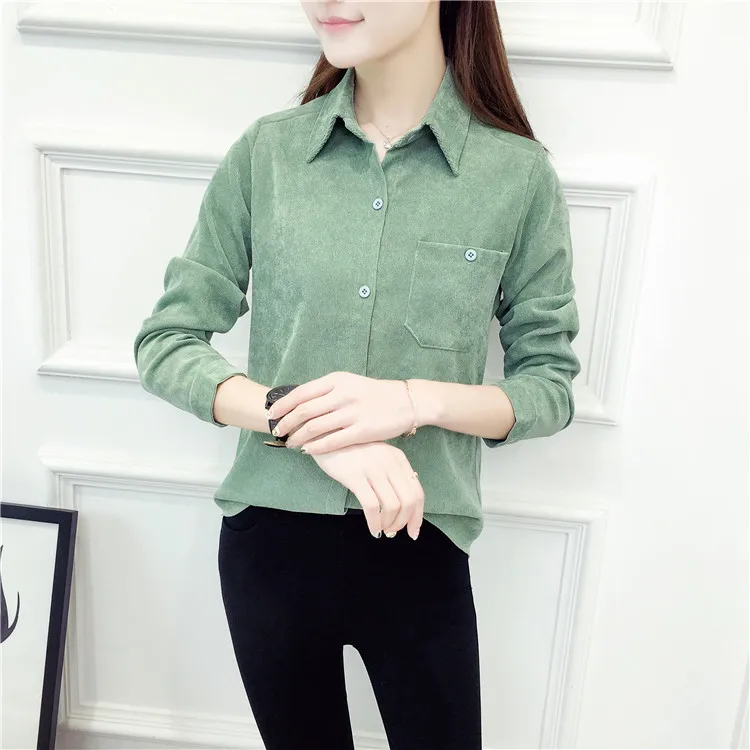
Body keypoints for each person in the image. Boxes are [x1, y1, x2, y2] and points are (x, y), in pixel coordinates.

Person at [133, 0, 581, 747]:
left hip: (420, 544)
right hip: (270, 544)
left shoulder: (516, 176)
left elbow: (549, 385)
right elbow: (167, 342)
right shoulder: (268, 154)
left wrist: (409, 401)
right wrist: (310, 426)